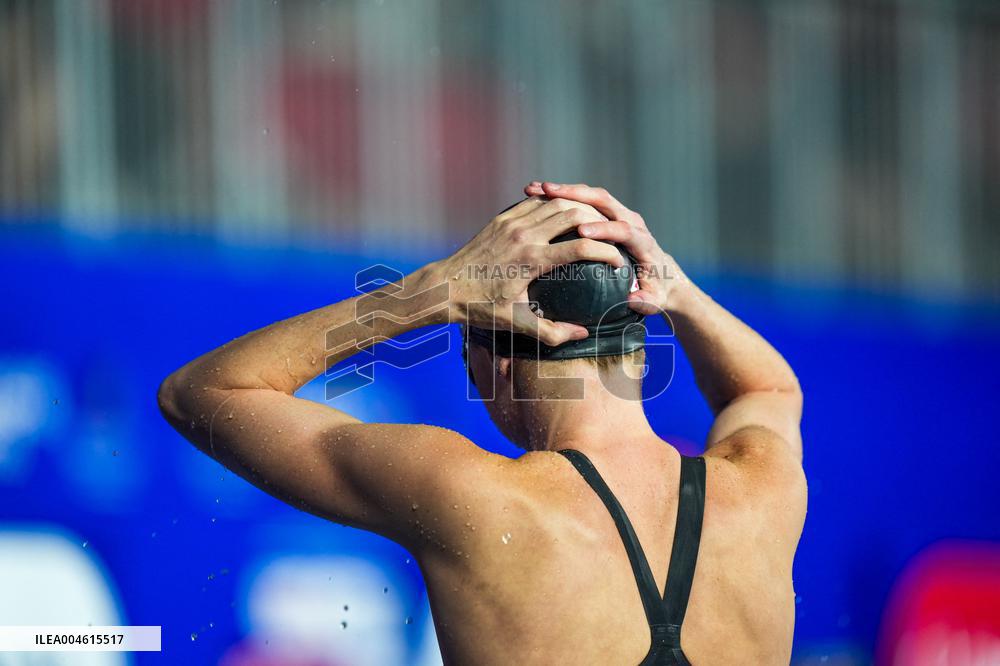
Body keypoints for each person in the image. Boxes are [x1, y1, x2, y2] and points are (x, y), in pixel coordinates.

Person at [158, 182, 806, 665]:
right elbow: (768, 385)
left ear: (491, 368)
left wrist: (435, 289)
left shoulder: (473, 500)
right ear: (638, 349)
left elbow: (202, 393)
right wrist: (671, 285)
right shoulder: (762, 493)